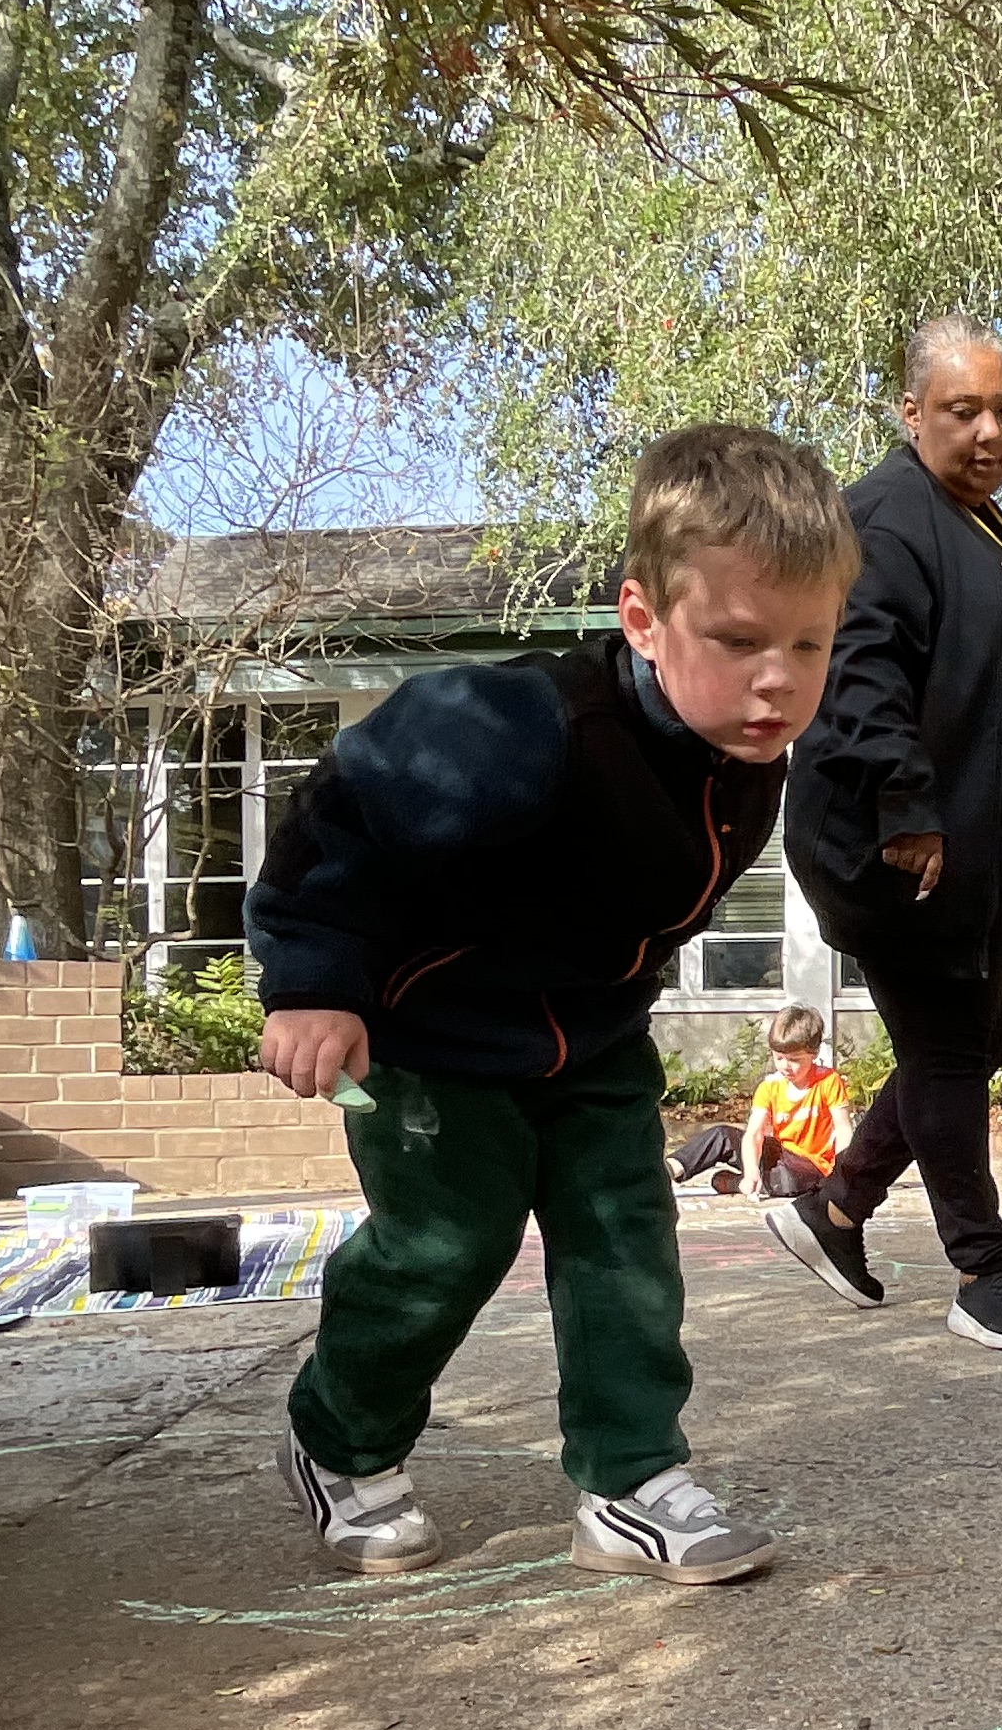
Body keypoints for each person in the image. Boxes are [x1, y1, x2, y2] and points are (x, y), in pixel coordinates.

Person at [249, 424, 855, 1586]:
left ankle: (630, 1480)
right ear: (642, 618)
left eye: (809, 643)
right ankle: (339, 1441)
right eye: (737, 641)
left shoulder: (746, 749)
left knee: (626, 1243)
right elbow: (346, 813)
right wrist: (315, 983)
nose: (778, 677)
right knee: (447, 1249)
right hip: (434, 1037)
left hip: (595, 1038)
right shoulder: (524, 730)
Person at [767, 315, 1002, 1354]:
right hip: (912, 838)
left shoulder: (980, 527)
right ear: (911, 414)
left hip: (993, 838)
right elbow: (857, 671)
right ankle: (981, 1270)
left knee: (978, 1040)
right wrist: (907, 808)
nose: (992, 431)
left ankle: (834, 1209)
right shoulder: (884, 515)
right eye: (965, 411)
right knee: (951, 1045)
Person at [672, 1005, 854, 1198]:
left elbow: (843, 1129)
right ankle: (673, 1167)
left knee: (789, 1181)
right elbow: (754, 1133)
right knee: (721, 1135)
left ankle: (736, 1183)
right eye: (779, 1058)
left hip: (813, 1165)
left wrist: (842, 1173)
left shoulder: (828, 1081)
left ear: (814, 1053)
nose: (785, 1066)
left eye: (794, 1059)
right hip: (779, 1154)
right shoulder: (769, 1087)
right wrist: (751, 1171)